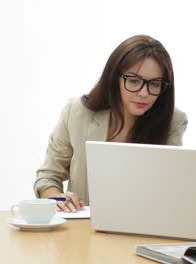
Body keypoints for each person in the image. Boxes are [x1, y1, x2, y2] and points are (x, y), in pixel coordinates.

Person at [34, 35, 188, 213]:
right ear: (115, 78)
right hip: (84, 229)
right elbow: (48, 176)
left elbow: (169, 187)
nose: (144, 93)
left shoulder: (173, 120)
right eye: (133, 81)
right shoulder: (76, 113)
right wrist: (58, 199)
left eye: (155, 84)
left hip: (143, 225)